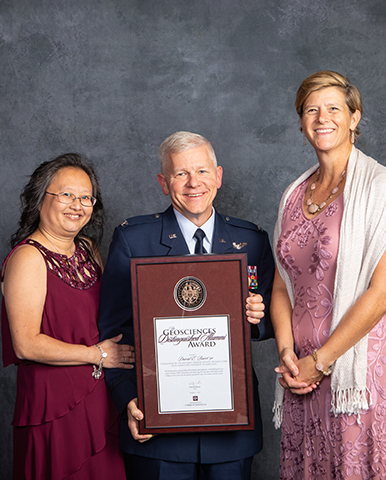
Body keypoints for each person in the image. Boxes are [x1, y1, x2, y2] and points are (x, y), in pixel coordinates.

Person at [97, 131, 275, 480]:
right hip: (158, 427)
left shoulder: (252, 240)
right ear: (164, 183)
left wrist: (258, 317)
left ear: (219, 176)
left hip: (230, 428)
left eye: (203, 171)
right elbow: (113, 334)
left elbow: (272, 317)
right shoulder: (134, 240)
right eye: (180, 174)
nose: (194, 183)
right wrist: (128, 399)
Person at [271, 71, 386, 479]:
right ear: (302, 123)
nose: (323, 118)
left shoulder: (381, 187)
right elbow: (282, 284)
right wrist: (288, 355)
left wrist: (321, 361)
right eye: (311, 110)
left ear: (354, 117)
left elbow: (383, 293)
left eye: (334, 108)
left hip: (358, 371)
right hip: (300, 373)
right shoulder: (292, 195)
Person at [0, 153, 135, 479]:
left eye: (86, 197)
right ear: (39, 199)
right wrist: (98, 354)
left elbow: (111, 318)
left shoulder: (88, 249)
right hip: (54, 405)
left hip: (100, 400)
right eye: (66, 195)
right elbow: (26, 344)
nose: (78, 204)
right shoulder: (28, 258)